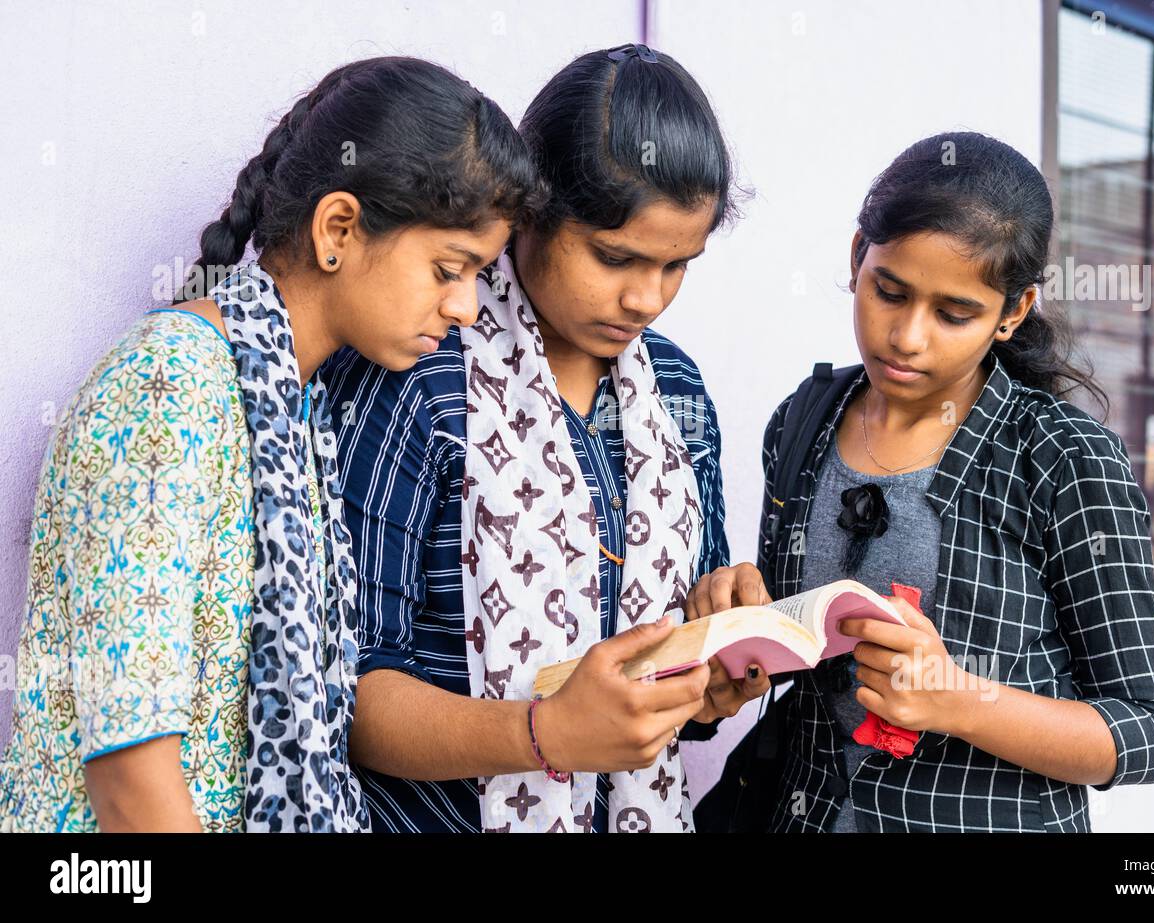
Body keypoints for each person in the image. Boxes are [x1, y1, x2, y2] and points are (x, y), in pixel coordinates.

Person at [0, 56, 539, 832]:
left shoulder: (296, 410)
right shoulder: (168, 386)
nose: (464, 308)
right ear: (339, 229)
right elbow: (130, 777)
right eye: (449, 269)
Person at [322, 43, 767, 833]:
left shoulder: (676, 393)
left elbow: (675, 693)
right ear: (531, 210)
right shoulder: (421, 368)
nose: (645, 298)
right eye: (614, 257)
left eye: (677, 267)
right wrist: (546, 732)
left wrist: (711, 678)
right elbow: (346, 690)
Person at [692, 132, 1154, 832]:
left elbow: (1148, 732)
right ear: (858, 256)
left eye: (954, 314)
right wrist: (737, 641)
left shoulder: (1064, 459)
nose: (908, 336)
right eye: (889, 292)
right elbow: (802, 672)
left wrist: (956, 697)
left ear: (1012, 313)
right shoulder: (802, 422)